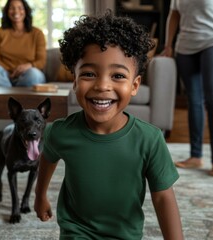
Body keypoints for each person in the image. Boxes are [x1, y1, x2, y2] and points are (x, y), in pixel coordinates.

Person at [34, 11, 184, 240]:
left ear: (134, 86)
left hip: (126, 235)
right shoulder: (61, 132)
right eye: (89, 74)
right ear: (74, 82)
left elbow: (163, 197)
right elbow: (48, 156)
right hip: (77, 231)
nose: (102, 85)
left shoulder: (150, 140)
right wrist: (40, 194)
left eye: (118, 76)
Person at [161, 0, 213, 177]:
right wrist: (168, 45)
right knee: (194, 100)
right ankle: (195, 156)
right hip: (185, 46)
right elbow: (174, 14)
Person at [0, 0, 46, 87]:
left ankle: (16, 98)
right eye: (12, 8)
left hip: (28, 74)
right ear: (7, 11)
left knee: (33, 74)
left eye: (20, 8)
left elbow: (41, 61)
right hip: (5, 75)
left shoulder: (37, 33)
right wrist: (11, 71)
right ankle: (6, 98)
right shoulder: (0, 32)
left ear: (25, 11)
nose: (16, 11)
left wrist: (28, 66)